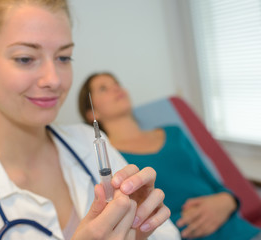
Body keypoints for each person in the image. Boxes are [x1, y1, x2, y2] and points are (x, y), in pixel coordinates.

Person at [0, 1, 181, 239]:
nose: (54, 80)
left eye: (63, 57)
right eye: (25, 58)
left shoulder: (89, 142)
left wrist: (141, 231)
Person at [78, 72, 261, 240]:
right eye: (103, 88)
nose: (116, 88)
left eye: (116, 83)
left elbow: (214, 183)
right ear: (92, 113)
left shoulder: (174, 133)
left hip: (240, 231)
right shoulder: (108, 160)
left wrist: (227, 201)